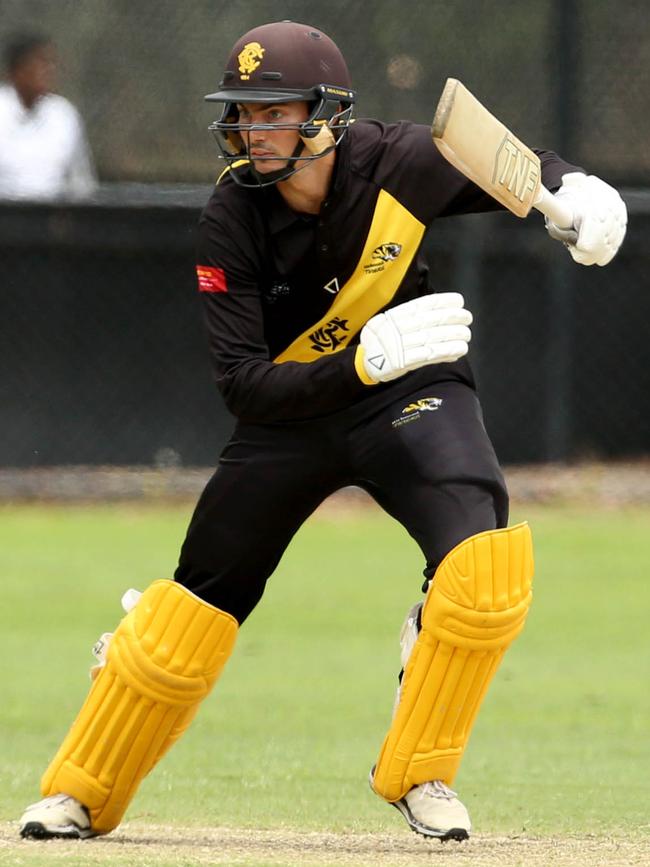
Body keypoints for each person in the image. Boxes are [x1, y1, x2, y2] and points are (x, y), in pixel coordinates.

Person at [18, 21, 626, 843]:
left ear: (327, 115)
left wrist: (579, 193)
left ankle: (422, 772)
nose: (253, 132)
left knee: (484, 573)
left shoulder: (400, 162)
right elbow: (244, 388)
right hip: (293, 410)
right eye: (243, 113)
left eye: (274, 112)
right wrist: (358, 364)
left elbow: (523, 171)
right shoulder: (230, 220)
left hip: (412, 388)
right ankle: (82, 791)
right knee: (192, 606)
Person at [0, 33, 97, 201]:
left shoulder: (64, 115)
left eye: (51, 63)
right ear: (17, 70)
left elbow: (81, 183)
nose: (48, 70)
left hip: (48, 217)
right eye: (40, 63)